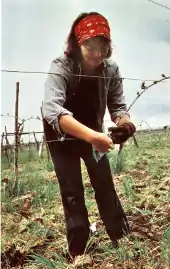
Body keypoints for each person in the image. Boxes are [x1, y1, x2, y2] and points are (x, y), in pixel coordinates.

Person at [42, 11, 136, 265]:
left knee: (104, 184)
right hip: (61, 136)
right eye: (90, 47)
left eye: (103, 48)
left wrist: (125, 125)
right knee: (72, 191)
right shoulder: (61, 66)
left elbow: (118, 106)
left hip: (92, 131)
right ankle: (79, 251)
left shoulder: (110, 69)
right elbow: (51, 110)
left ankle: (122, 237)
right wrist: (93, 137)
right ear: (77, 44)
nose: (97, 54)